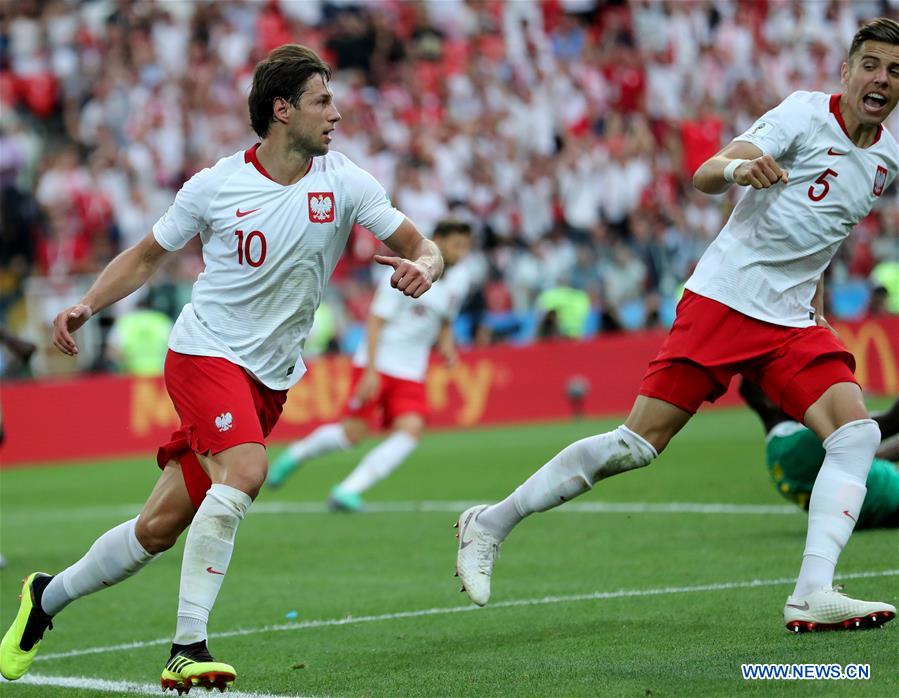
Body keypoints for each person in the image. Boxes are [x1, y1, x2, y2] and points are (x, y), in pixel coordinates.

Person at [0, 44, 443, 692]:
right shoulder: (215, 186)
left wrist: (423, 268)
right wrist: (86, 303)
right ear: (281, 109)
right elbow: (148, 256)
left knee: (156, 529)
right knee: (248, 467)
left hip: (267, 379)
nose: (338, 114)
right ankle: (187, 646)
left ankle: (45, 598)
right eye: (323, 101)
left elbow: (421, 245)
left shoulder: (345, 182)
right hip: (204, 354)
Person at [455, 18, 899, 633]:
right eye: (871, 65)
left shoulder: (885, 160)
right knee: (636, 446)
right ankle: (490, 522)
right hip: (725, 300)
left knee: (855, 435)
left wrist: (815, 304)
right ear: (847, 72)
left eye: (895, 71)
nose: (881, 79)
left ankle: (811, 592)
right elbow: (707, 172)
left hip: (791, 319)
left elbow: (821, 236)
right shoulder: (802, 115)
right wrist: (740, 171)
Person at [267, 220, 472, 510]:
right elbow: (375, 322)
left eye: (465, 247)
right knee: (352, 435)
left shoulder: (461, 279)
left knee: (411, 431)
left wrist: (447, 345)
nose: (461, 253)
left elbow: (444, 319)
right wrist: (371, 372)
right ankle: (296, 454)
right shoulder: (407, 269)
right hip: (378, 362)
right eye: (456, 245)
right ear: (436, 240)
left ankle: (347, 491)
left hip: (412, 370)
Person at [740, 379, 899, 529]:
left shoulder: (778, 451)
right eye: (787, 387)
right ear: (769, 401)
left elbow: (860, 460)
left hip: (868, 513)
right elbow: (892, 422)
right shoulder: (799, 442)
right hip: (890, 503)